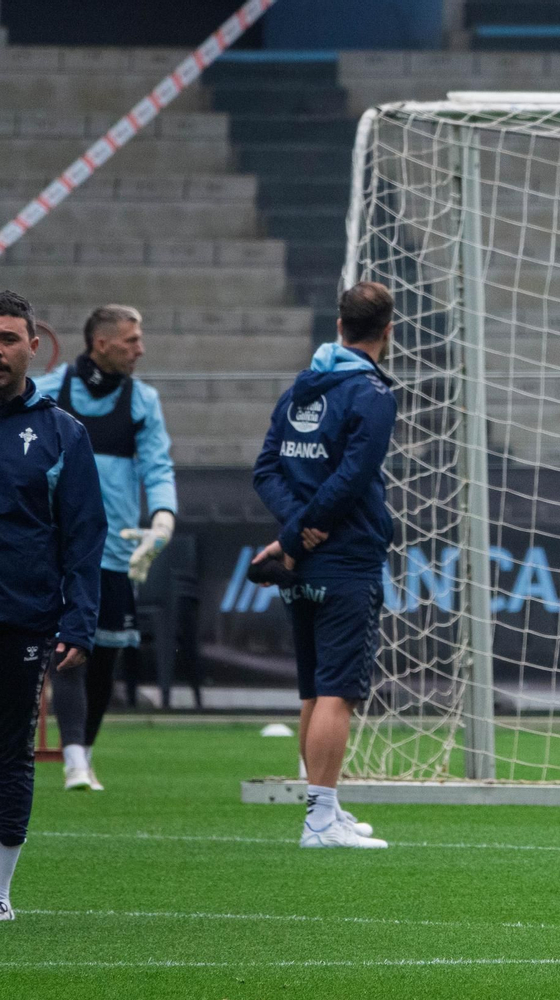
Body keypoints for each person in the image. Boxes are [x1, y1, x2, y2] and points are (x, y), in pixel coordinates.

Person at [251, 282, 396, 849]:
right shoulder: (371, 394)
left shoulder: (299, 390)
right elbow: (353, 477)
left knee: (313, 688)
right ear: (387, 331)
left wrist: (292, 536)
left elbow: (265, 470)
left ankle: (323, 809)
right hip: (346, 559)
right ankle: (319, 821)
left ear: (338, 326)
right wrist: (305, 530)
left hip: (303, 563)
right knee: (339, 689)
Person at [0, 290, 105, 920]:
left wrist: (80, 619)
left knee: (10, 751)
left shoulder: (62, 433)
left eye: (6, 339)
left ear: (34, 345)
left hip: (20, 615)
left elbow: (85, 537)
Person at [33, 304, 177, 791]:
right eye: (131, 339)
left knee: (105, 655)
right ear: (101, 344)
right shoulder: (50, 393)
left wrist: (163, 518)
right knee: (65, 649)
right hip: (54, 547)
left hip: (115, 548)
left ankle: (84, 755)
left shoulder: (144, 400)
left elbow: (157, 466)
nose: (141, 348)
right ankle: (73, 760)